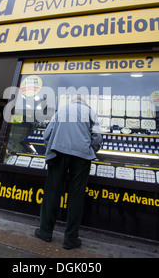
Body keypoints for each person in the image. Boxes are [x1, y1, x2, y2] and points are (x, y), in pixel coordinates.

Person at [34, 95, 102, 249]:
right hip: (82, 157)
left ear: (73, 102)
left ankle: (45, 232)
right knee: (76, 196)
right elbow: (97, 137)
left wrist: (51, 148)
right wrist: (90, 150)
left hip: (58, 152)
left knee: (52, 192)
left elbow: (47, 134)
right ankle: (71, 238)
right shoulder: (91, 112)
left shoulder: (62, 110)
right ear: (84, 103)